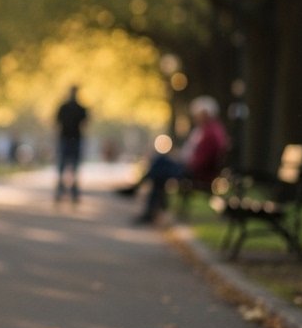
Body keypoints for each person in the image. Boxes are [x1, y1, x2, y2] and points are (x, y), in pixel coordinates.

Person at [116, 95, 229, 225]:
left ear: (206, 114)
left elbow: (201, 161)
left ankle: (142, 197)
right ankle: (150, 205)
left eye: (198, 114)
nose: (195, 117)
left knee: (159, 166)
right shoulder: (207, 130)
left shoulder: (210, 133)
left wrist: (184, 161)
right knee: (159, 163)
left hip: (196, 172)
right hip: (192, 167)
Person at [54, 85, 89, 204]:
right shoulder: (77, 108)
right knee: (67, 166)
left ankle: (68, 191)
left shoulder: (68, 107)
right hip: (70, 138)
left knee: (69, 166)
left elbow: (57, 122)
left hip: (70, 138)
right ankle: (67, 191)